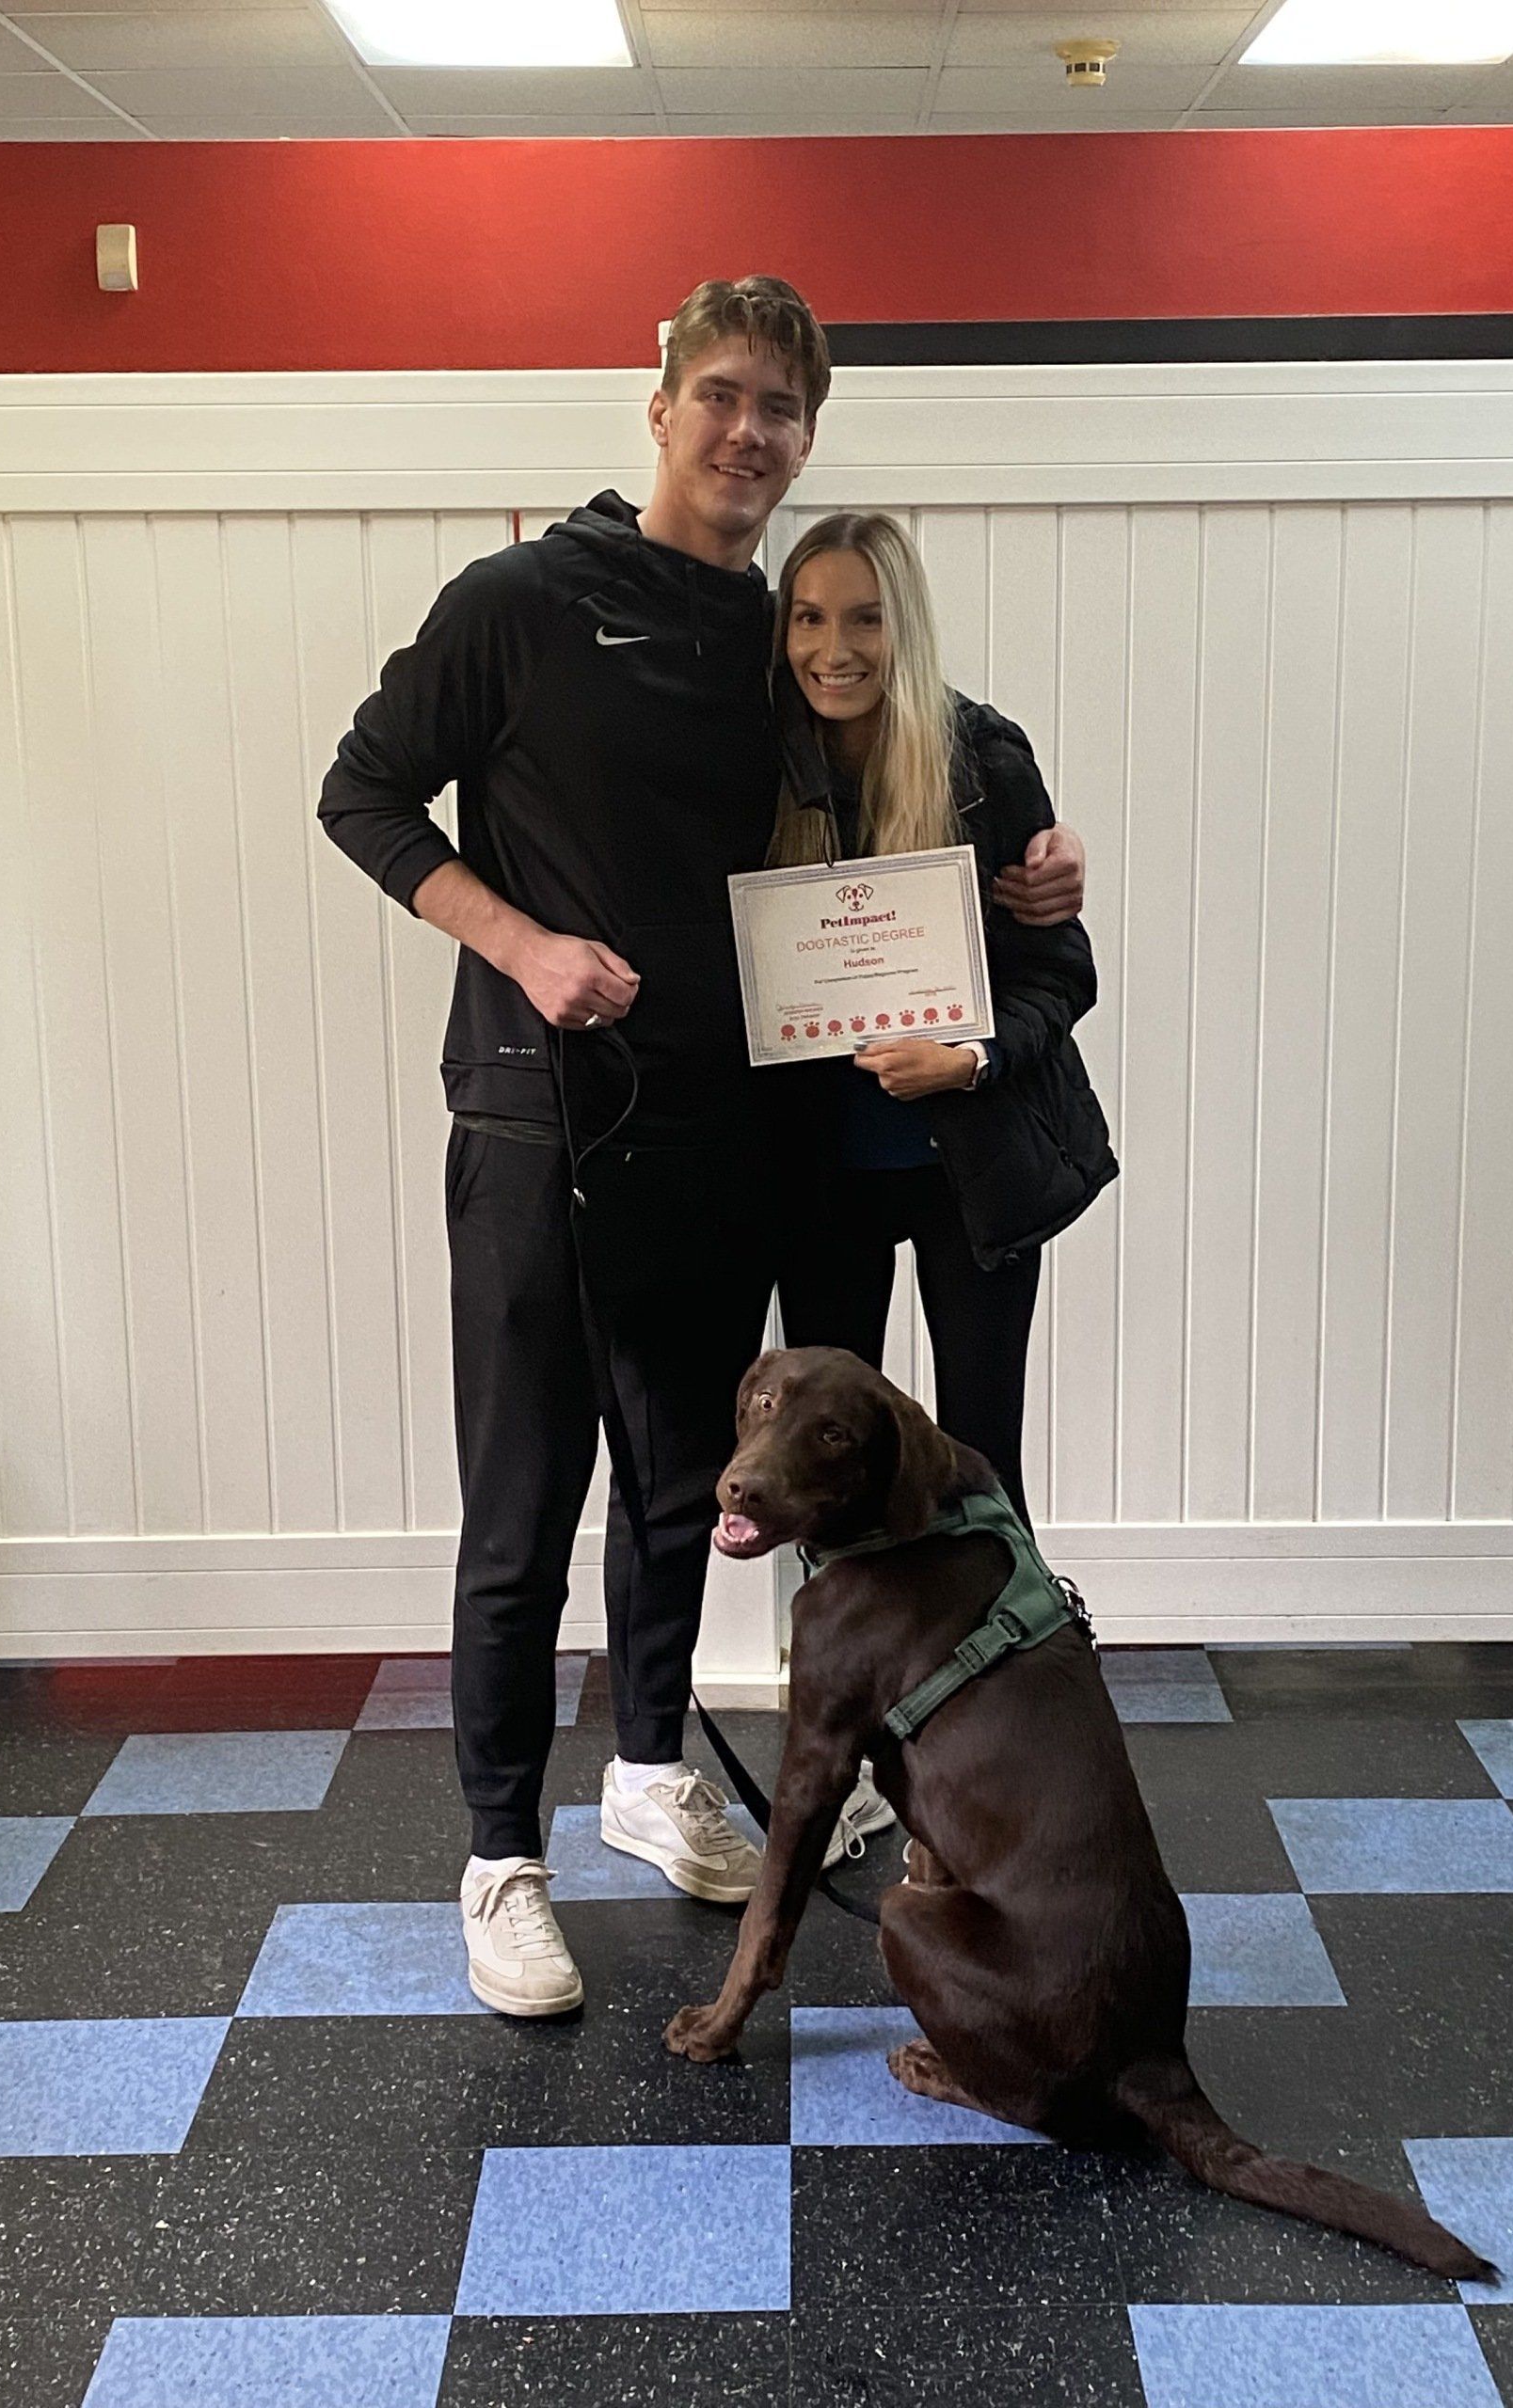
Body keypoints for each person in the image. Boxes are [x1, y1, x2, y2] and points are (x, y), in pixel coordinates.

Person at [318, 278, 1087, 2020]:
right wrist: (517, 944)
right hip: (536, 1113)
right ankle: (498, 1861)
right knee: (523, 1502)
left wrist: (1037, 875)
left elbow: (911, 801)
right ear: (659, 406)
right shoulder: (515, 603)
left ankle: (649, 1775)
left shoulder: (773, 644)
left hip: (723, 1129)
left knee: (685, 1485)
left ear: (807, 436)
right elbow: (363, 794)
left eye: (781, 410)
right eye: (721, 396)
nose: (749, 432)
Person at [772, 513, 1118, 1526]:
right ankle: (852, 1678)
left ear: (904, 627)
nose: (834, 651)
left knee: (976, 1452)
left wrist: (968, 1057)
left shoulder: (981, 757)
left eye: (865, 619)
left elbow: (1059, 972)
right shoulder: (758, 759)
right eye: (808, 618)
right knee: (824, 1457)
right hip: (819, 1170)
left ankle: (991, 1671)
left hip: (972, 1162)